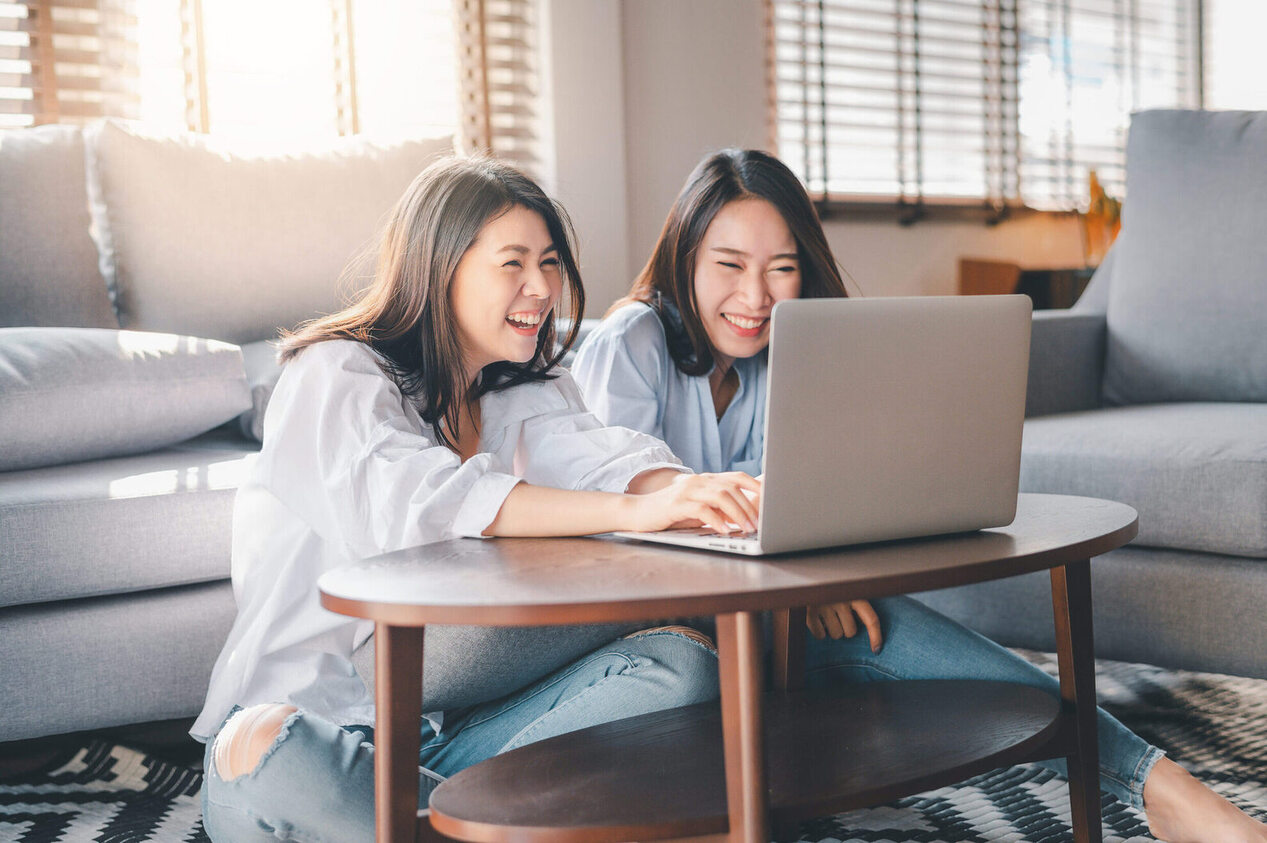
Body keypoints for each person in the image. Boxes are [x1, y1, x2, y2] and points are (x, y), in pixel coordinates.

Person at [571, 148, 1267, 843]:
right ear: (683, 258)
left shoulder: (793, 348)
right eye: (728, 265)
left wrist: (811, 574)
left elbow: (807, 502)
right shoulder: (631, 341)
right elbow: (631, 522)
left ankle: (1162, 788)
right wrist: (793, 583)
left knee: (917, 638)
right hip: (672, 640)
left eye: (780, 268)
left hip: (773, 618)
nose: (755, 297)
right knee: (890, 640)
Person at [192, 156, 762, 841]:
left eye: (550, 263)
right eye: (512, 263)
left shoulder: (523, 384)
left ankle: (451, 826)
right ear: (440, 268)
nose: (541, 287)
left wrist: (688, 493)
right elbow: (421, 502)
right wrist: (633, 513)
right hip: (312, 729)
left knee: (681, 666)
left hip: (444, 743)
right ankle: (488, 825)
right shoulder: (334, 371)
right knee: (268, 749)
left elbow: (599, 456)